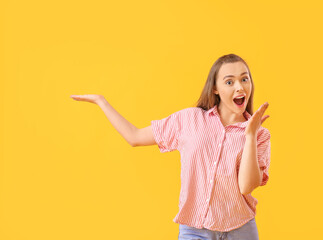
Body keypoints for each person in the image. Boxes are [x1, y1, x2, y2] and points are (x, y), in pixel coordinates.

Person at [70, 53, 271, 240]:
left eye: (245, 79)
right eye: (230, 81)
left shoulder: (259, 134)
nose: (239, 87)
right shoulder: (189, 120)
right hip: (195, 230)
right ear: (215, 89)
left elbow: (246, 186)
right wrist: (102, 102)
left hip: (240, 229)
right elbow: (135, 136)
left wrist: (250, 135)